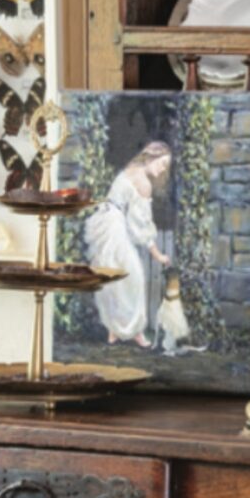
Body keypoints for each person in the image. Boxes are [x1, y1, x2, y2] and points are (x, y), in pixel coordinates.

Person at [82, 140, 174, 347]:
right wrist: (157, 255)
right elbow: (141, 225)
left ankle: (116, 330)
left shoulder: (132, 169)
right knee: (134, 276)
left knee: (113, 277)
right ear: (151, 157)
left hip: (106, 220)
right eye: (161, 164)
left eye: (165, 168)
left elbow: (134, 221)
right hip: (112, 225)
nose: (162, 171)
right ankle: (134, 331)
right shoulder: (143, 182)